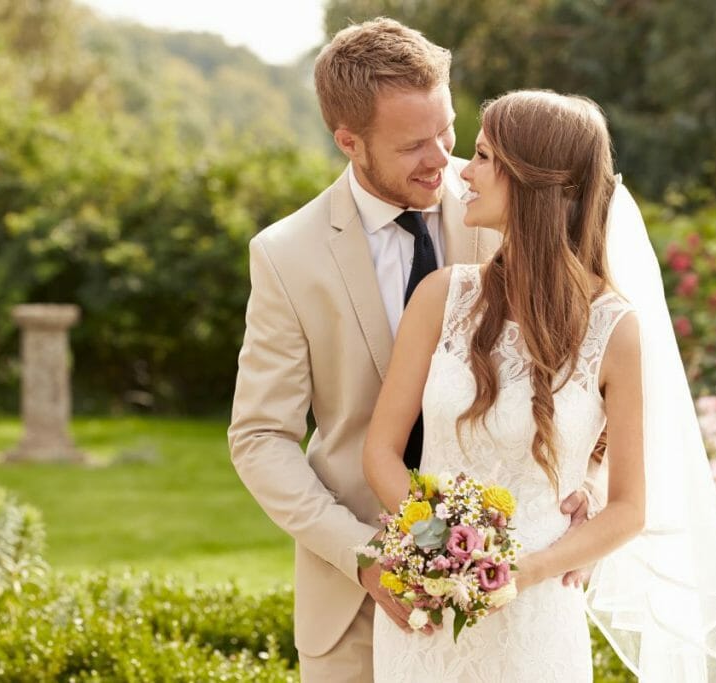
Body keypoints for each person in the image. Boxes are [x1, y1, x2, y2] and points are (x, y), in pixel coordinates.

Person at [228, 20, 603, 681]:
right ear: (349, 141)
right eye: (412, 145)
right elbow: (261, 437)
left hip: (507, 593)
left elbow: (589, 365)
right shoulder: (287, 256)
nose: (443, 160)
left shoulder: (508, 201)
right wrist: (366, 556)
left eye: (447, 130)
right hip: (352, 601)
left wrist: (587, 490)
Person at [363, 90, 716, 681]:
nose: (462, 173)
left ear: (533, 183)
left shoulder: (615, 330)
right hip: (427, 612)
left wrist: (523, 572)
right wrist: (441, 544)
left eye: (484, 158)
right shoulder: (442, 297)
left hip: (537, 619)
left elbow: (628, 508)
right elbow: (380, 453)